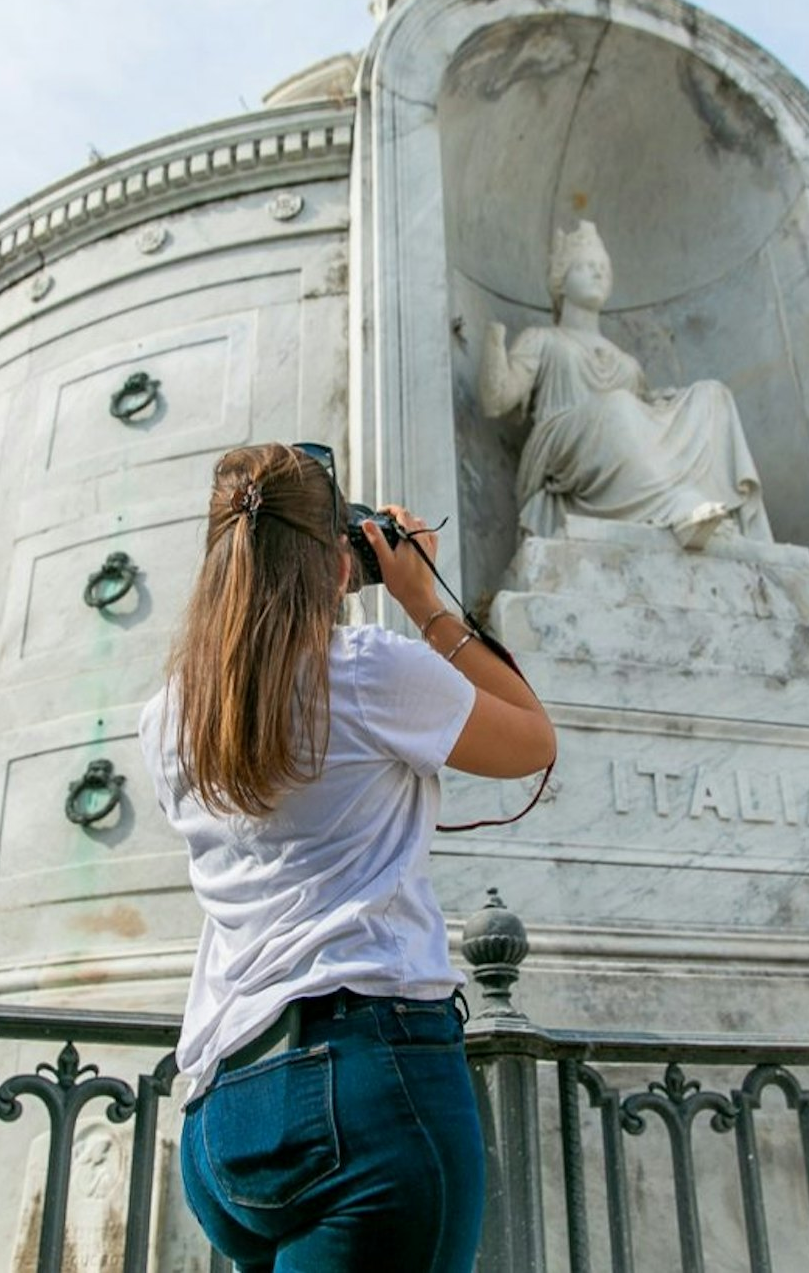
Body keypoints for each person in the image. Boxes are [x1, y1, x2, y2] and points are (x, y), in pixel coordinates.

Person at [139, 442, 556, 1272]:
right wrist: (420, 597)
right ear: (335, 561)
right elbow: (532, 741)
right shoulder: (369, 673)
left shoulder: (167, 717)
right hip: (365, 1087)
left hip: (225, 1108)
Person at [479, 220, 773, 548]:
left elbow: (641, 432)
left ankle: (723, 519)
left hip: (616, 433)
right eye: (587, 266)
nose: (598, 273)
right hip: (561, 443)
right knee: (618, 406)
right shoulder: (544, 339)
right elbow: (497, 400)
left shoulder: (627, 363)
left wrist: (661, 404)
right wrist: (493, 343)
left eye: (603, 268)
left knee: (712, 395)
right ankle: (677, 506)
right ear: (561, 280)